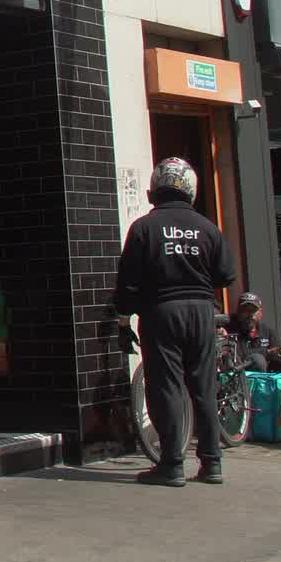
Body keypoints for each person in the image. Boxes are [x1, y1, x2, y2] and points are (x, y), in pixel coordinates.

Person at [113, 158, 237, 487]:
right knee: (204, 387)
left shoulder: (143, 228)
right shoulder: (208, 228)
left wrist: (123, 317)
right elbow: (226, 275)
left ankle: (172, 464)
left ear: (155, 189)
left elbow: (127, 283)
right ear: (191, 191)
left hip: (160, 312)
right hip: (201, 311)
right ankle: (212, 463)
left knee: (166, 386)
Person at [229, 292, 281, 372]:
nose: (250, 314)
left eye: (254, 310)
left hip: (265, 378)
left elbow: (277, 358)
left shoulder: (268, 331)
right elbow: (237, 357)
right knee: (258, 360)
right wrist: (268, 352)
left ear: (260, 313)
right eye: (246, 310)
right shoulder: (230, 330)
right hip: (241, 377)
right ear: (238, 312)